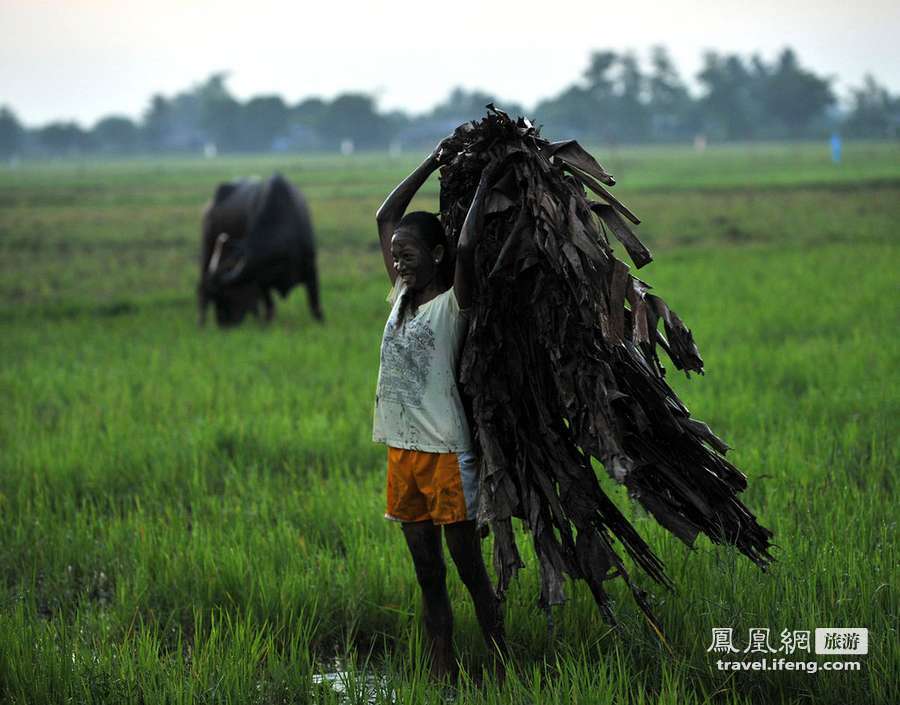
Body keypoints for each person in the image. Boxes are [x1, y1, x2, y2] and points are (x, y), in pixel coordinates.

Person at [372, 139, 505, 680]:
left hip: (447, 454)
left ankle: (501, 666)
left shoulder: (454, 302)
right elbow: (386, 215)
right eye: (395, 253)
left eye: (409, 253)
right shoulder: (401, 293)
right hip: (403, 455)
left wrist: (488, 180)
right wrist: (433, 159)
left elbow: (469, 247)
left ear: (438, 256)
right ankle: (442, 674)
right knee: (428, 573)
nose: (398, 259)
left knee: (469, 570)